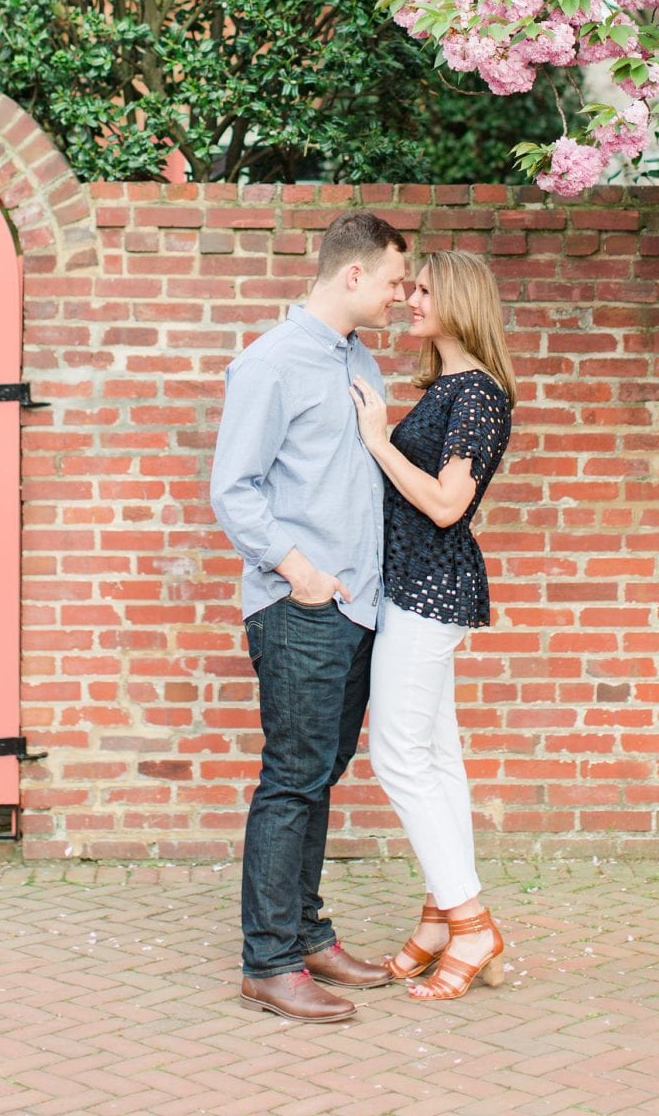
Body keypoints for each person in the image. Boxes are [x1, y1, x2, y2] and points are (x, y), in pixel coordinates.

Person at [210, 209, 409, 1024]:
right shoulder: (272, 363)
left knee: (319, 776)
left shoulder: (359, 359)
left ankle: (308, 932)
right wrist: (302, 576)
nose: (402, 295)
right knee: (292, 780)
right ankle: (270, 960)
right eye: (396, 280)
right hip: (303, 607)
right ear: (353, 274)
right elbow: (234, 489)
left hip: (355, 609)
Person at [350, 248, 515, 1003]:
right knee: (438, 759)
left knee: (398, 758)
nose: (410, 299)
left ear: (459, 300)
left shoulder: (477, 393)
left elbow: (450, 505)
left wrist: (379, 441)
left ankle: (471, 921)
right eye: (408, 287)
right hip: (415, 589)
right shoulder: (446, 386)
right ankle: (440, 916)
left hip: (427, 590)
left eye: (423, 290)